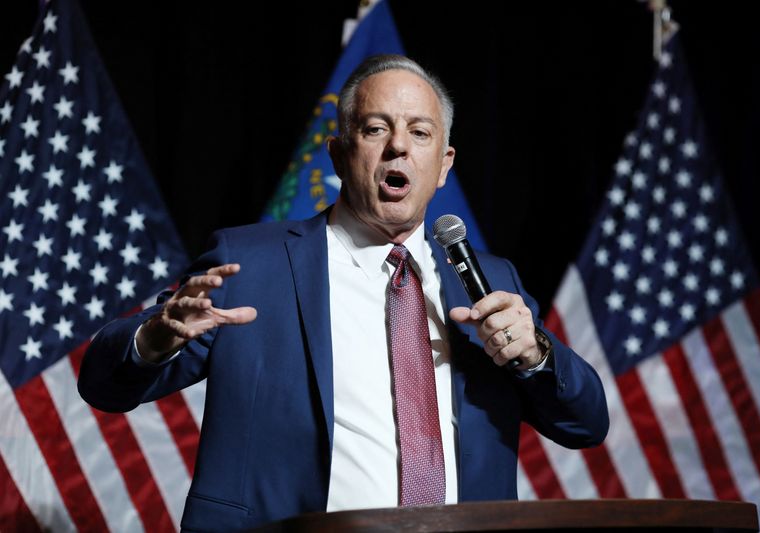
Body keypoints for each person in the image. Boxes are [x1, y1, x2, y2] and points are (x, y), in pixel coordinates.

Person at [79, 54, 608, 532]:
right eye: (376, 128)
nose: (398, 145)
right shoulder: (252, 264)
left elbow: (585, 423)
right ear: (337, 153)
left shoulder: (492, 281)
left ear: (444, 165)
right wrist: (153, 338)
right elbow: (105, 384)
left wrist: (535, 354)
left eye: (420, 133)